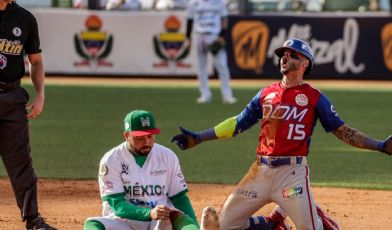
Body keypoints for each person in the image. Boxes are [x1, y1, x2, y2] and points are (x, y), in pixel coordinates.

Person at [171, 38, 392, 229]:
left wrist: (381, 145)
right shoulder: (265, 93)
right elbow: (237, 123)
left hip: (292, 176)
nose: (285, 57)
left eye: (292, 55)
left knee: (309, 228)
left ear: (305, 63)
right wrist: (200, 137)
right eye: (282, 55)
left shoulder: (314, 97)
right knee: (221, 226)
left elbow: (344, 131)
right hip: (260, 173)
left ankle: (316, 218)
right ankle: (267, 223)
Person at [84, 110, 219, 230]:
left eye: (150, 136)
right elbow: (118, 205)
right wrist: (148, 213)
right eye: (140, 138)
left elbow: (180, 198)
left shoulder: (167, 156)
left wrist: (192, 223)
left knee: (176, 216)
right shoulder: (111, 160)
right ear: (126, 135)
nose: (147, 142)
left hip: (159, 220)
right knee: (93, 224)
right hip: (123, 222)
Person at [0, 1, 56, 229]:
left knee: (21, 161)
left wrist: (40, 94)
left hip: (13, 97)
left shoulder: (25, 18)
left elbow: (35, 61)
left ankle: (33, 220)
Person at [185, 0, 237, 104]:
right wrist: (188, 38)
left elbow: (224, 18)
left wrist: (222, 36)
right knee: (201, 67)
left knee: (222, 66)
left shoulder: (219, 2)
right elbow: (189, 20)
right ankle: (205, 95)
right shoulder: (193, 3)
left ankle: (227, 95)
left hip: (214, 35)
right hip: (199, 35)